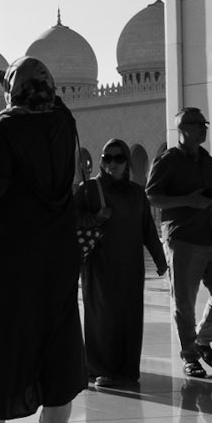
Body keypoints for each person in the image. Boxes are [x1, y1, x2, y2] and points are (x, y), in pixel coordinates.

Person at [0, 56, 86, 423]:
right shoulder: (64, 123)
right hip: (58, 247)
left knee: (3, 331)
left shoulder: (7, 125)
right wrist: (17, 72)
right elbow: (54, 99)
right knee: (58, 330)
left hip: (13, 248)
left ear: (12, 90)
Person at [147, 106, 212, 379]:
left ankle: (202, 341)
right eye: (200, 125)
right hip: (184, 239)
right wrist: (189, 200)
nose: (205, 129)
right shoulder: (168, 161)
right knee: (184, 302)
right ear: (185, 129)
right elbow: (152, 196)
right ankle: (190, 357)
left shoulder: (208, 161)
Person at [78, 137, 167, 388]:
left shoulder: (136, 192)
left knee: (129, 315)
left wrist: (160, 261)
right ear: (101, 161)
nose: (113, 164)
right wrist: (95, 217)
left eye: (119, 158)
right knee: (103, 315)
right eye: (107, 158)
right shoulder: (89, 190)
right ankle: (100, 368)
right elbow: (71, 218)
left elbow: (148, 229)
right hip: (100, 265)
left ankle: (127, 368)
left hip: (130, 265)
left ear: (127, 162)